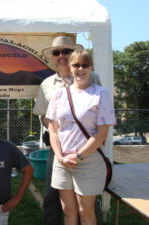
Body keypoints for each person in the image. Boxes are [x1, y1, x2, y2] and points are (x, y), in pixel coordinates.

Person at [33, 36, 101, 225]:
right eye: (57, 52)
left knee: (87, 203)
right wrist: (59, 131)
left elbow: (100, 112)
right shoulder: (46, 84)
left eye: (66, 51)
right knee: (54, 199)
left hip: (86, 149)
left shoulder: (91, 77)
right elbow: (42, 115)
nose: (61, 56)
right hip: (58, 149)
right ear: (53, 57)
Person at [47, 49, 116, 225]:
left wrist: (78, 156)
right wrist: (61, 157)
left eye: (85, 65)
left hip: (88, 161)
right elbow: (53, 129)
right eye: (76, 64)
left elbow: (102, 133)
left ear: (91, 67)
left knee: (85, 212)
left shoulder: (101, 94)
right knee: (68, 211)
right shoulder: (59, 94)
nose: (80, 69)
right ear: (70, 67)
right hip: (62, 161)